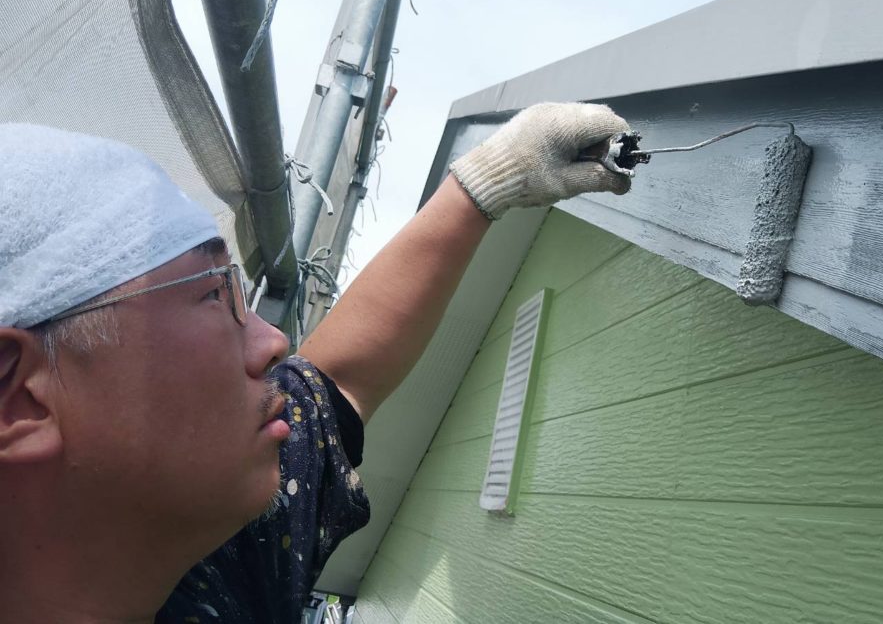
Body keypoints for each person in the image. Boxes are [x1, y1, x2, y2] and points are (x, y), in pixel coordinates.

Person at [0, 102, 630, 623]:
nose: (273, 342)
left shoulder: (214, 558)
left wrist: (492, 180)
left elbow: (340, 379)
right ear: (19, 397)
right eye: (215, 295)